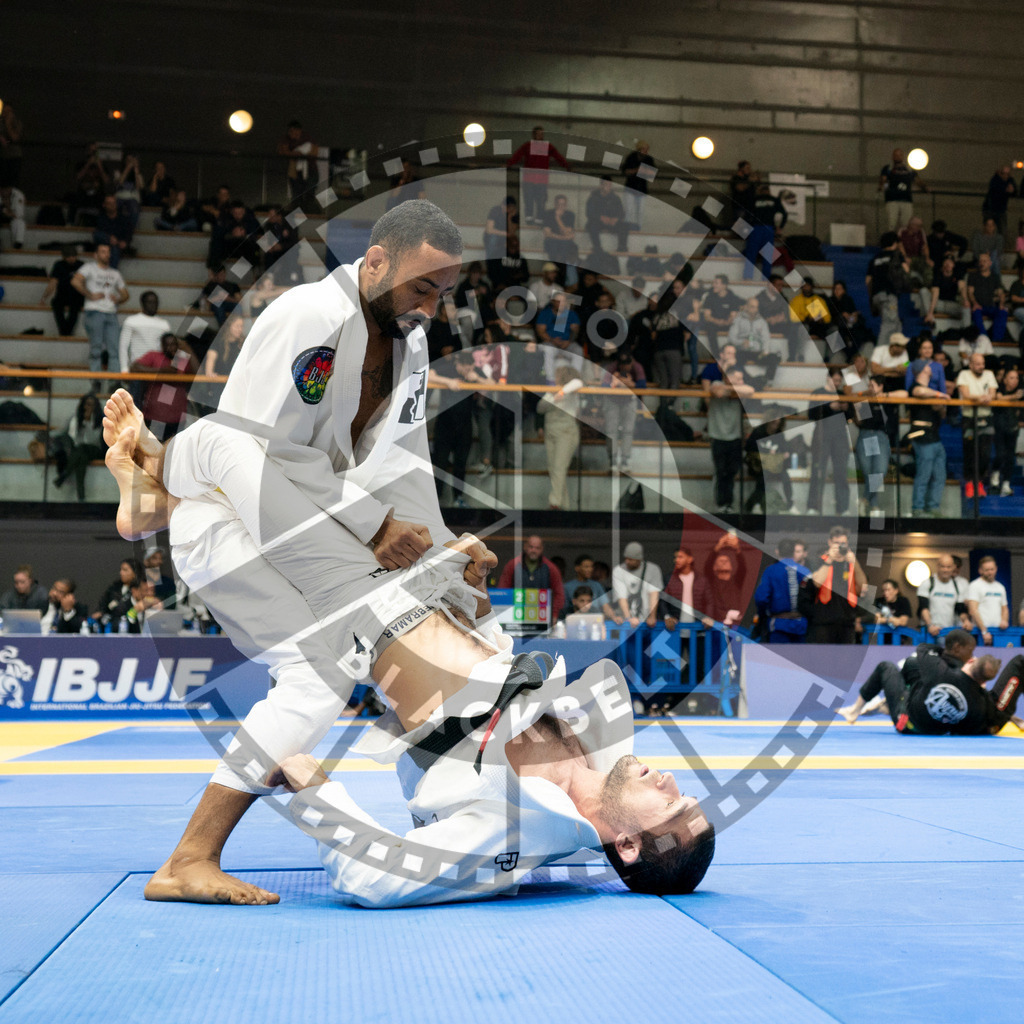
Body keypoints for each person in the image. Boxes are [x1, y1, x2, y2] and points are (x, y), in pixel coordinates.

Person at [99, 200, 481, 906]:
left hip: (309, 523)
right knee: (317, 679)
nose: (431, 307)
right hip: (232, 521)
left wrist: (445, 562)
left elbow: (407, 460)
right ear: (376, 263)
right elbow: (263, 453)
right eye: (421, 287)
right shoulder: (307, 318)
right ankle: (188, 860)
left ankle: (149, 488)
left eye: (444, 293)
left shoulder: (413, 344)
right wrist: (371, 525)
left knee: (393, 636)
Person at [839, 631, 1022, 735]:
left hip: (909, 723)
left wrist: (951, 658)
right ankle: (884, 705)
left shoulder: (937, 669)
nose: (971, 654)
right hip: (943, 725)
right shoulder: (980, 703)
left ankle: (858, 708)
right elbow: (993, 710)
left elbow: (923, 648)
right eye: (971, 650)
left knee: (891, 666)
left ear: (972, 662)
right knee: (912, 668)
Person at [800, 526, 867, 644]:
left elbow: (862, 587)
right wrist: (830, 559)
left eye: (843, 543)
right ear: (829, 542)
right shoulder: (818, 561)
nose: (840, 546)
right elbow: (816, 582)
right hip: (823, 622)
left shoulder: (851, 563)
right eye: (836, 543)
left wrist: (855, 562)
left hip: (847, 622)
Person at [72, 243, 129, 378]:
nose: (107, 254)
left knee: (114, 349)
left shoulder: (115, 273)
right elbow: (75, 281)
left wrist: (118, 299)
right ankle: (95, 379)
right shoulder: (89, 268)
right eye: (103, 252)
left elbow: (126, 294)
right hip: (94, 311)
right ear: (96, 255)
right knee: (96, 348)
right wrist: (89, 294)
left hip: (111, 313)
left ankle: (114, 381)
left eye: (108, 252)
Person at [132, 333, 199, 440]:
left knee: (175, 452)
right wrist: (161, 372)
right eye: (167, 345)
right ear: (162, 346)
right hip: (154, 416)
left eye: (173, 345)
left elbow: (197, 374)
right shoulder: (154, 356)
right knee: (154, 451)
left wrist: (188, 349)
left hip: (177, 417)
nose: (170, 348)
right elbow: (134, 367)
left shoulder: (181, 359)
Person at [807, 368, 853, 517]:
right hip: (822, 435)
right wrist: (828, 407)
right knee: (818, 472)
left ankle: (843, 508)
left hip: (840, 436)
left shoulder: (842, 395)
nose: (837, 383)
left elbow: (851, 417)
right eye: (835, 380)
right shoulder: (818, 392)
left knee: (841, 473)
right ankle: (813, 506)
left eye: (839, 381)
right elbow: (811, 414)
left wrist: (846, 408)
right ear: (828, 378)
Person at [506, 125, 571, 226]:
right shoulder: (528, 146)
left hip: (541, 180)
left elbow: (558, 157)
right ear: (534, 135)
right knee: (529, 200)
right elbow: (517, 155)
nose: (540, 136)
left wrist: (567, 166)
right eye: (538, 134)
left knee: (541, 201)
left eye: (542, 134)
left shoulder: (547, 146)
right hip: (529, 179)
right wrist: (508, 164)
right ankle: (529, 219)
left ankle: (539, 220)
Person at [906, 365, 948, 518]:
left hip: (935, 437)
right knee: (924, 473)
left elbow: (942, 414)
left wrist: (941, 405)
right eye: (926, 370)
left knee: (940, 475)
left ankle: (933, 506)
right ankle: (917, 507)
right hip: (922, 437)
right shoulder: (915, 387)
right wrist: (940, 395)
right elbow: (920, 392)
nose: (929, 371)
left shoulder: (932, 389)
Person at [956, 352, 998, 498]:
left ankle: (979, 482)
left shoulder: (989, 374)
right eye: (978, 364)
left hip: (986, 418)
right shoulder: (964, 374)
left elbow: (993, 393)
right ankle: (969, 483)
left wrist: (988, 397)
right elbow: (966, 394)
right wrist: (982, 397)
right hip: (969, 419)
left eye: (983, 364)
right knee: (969, 452)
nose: (981, 367)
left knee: (985, 454)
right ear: (971, 364)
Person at [753, 539, 810, 643]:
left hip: (778, 625)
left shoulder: (771, 570)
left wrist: (762, 616)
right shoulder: (805, 571)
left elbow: (761, 598)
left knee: (779, 658)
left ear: (777, 551)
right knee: (800, 659)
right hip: (801, 625)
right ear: (793, 552)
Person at [52, 393, 106, 500]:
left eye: (91, 405)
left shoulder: (100, 421)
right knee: (82, 459)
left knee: (81, 449)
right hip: (79, 452)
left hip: (95, 449)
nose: (88, 407)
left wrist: (88, 423)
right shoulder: (75, 419)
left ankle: (64, 475)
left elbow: (93, 440)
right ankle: (81, 496)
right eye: (87, 404)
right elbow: (66, 435)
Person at [498, 535, 565, 620]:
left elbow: (559, 594)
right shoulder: (512, 565)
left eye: (537, 548)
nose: (534, 550)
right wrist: (504, 614)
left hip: (542, 615)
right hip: (516, 614)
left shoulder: (551, 568)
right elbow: (503, 590)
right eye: (531, 547)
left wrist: (554, 614)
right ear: (525, 547)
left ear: (542, 549)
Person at [119, 292, 172, 396]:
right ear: (142, 303)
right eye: (150, 302)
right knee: (136, 404)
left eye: (156, 302)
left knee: (156, 404)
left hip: (158, 371)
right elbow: (123, 346)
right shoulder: (131, 321)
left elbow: (169, 348)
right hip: (138, 369)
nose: (153, 305)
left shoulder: (164, 324)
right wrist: (124, 370)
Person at [601, 350, 644, 473]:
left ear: (631, 362)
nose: (624, 367)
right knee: (611, 431)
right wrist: (615, 384)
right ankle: (613, 460)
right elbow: (603, 386)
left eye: (627, 364)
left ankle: (625, 460)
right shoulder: (612, 367)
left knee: (628, 431)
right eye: (622, 364)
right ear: (618, 363)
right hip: (612, 401)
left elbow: (643, 386)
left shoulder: (637, 367)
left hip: (629, 400)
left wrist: (630, 384)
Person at [865, 232, 907, 348]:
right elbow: (907, 271)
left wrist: (872, 298)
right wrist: (903, 252)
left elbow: (868, 281)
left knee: (897, 325)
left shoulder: (875, 258)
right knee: (889, 325)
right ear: (895, 243)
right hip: (889, 296)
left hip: (876, 296)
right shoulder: (896, 255)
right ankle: (878, 358)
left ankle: (896, 354)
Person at [610, 542, 663, 629]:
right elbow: (622, 597)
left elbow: (654, 594)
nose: (627, 561)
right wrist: (628, 618)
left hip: (646, 620)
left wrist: (652, 616)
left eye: (631, 559)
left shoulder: (653, 569)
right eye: (626, 558)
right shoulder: (618, 570)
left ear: (639, 559)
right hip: (625, 622)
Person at [916, 555, 972, 637]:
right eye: (943, 567)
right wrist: (930, 625)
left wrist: (966, 621)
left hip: (949, 630)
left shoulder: (957, 586)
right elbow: (924, 607)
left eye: (948, 567)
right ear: (938, 566)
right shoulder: (928, 583)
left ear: (953, 567)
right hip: (930, 630)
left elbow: (960, 609)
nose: (945, 570)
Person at [991, 366, 1023, 496]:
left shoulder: (1021, 391)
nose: (1014, 380)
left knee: (1010, 457)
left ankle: (1006, 484)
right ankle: (995, 478)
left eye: (1016, 377)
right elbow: (998, 398)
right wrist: (1014, 397)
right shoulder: (1000, 388)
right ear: (1004, 380)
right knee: (1000, 454)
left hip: (1013, 427)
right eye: (1011, 377)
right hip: (999, 427)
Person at [878, 148, 927, 230]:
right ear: (893, 157)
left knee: (906, 224)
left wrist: (925, 187)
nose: (897, 157)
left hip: (906, 199)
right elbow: (883, 180)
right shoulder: (888, 168)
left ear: (902, 156)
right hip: (892, 199)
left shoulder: (908, 169)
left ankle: (903, 241)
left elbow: (917, 180)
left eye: (899, 155)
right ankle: (891, 240)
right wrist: (882, 186)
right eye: (895, 155)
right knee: (892, 222)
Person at [41, 245, 85, 337]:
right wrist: (44, 297)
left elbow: (87, 283)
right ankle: (65, 332)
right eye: (69, 256)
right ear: (64, 257)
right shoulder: (59, 265)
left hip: (77, 295)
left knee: (75, 308)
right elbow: (53, 283)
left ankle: (65, 333)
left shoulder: (81, 265)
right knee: (56, 305)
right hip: (62, 295)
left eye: (74, 256)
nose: (72, 258)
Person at [966, 556, 1009, 646]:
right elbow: (973, 610)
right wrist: (984, 631)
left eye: (992, 569)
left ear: (996, 569)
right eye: (986, 570)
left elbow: (1004, 608)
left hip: (998, 632)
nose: (990, 572)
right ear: (980, 570)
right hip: (980, 632)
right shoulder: (975, 585)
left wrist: (1004, 620)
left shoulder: (1000, 587)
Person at [967, 252, 1007, 341]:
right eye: (980, 261)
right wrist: (975, 303)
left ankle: (997, 340)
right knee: (976, 313)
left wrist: (1001, 303)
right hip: (978, 306)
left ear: (990, 263)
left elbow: (1001, 292)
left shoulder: (995, 277)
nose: (982, 263)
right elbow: (970, 293)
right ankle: (984, 339)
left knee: (1003, 312)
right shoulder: (973, 276)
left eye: (984, 261)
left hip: (991, 306)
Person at [95, 558, 144, 630]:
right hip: (113, 626)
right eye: (121, 570)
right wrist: (101, 613)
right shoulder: (114, 588)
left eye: (125, 570)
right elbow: (103, 605)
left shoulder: (141, 589)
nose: (121, 573)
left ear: (135, 573)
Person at [585, 176, 628, 255]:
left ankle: (622, 247)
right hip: (598, 222)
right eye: (606, 184)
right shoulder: (593, 197)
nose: (608, 187)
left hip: (612, 223)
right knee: (592, 226)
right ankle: (597, 247)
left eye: (609, 185)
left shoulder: (615, 198)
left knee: (624, 226)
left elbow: (621, 213)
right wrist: (600, 217)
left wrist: (616, 219)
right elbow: (589, 213)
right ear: (601, 185)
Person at [277, 120, 317, 202]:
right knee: (296, 194)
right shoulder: (286, 139)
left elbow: (314, 151)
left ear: (298, 130)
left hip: (310, 169)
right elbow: (282, 151)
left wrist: (297, 153)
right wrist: (295, 154)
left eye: (292, 131)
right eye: (289, 131)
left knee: (309, 193)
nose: (290, 133)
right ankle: (296, 211)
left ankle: (308, 211)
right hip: (294, 170)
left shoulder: (307, 137)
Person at [621, 141, 654, 229]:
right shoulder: (631, 157)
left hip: (642, 189)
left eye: (647, 150)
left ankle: (639, 229)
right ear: (639, 149)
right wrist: (637, 170)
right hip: (630, 188)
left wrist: (645, 171)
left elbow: (653, 173)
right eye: (644, 149)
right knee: (629, 210)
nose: (646, 152)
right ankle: (627, 228)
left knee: (641, 211)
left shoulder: (649, 159)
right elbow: (625, 171)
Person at [542, 194, 579, 267]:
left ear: (566, 205)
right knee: (552, 243)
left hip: (564, 242)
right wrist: (562, 237)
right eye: (559, 204)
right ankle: (554, 265)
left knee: (567, 244)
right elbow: (547, 234)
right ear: (555, 204)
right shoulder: (548, 214)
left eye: (563, 204)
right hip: (552, 241)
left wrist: (558, 218)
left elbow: (567, 233)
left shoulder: (570, 215)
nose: (561, 206)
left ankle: (562, 265)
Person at [983, 166, 1016, 236]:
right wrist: (1005, 188)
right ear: (1000, 173)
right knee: (988, 231)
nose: (1005, 175)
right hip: (990, 209)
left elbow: (1014, 190)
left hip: (1001, 211)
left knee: (1003, 232)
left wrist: (1011, 189)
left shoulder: (1010, 180)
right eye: (1003, 173)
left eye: (1008, 174)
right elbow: (996, 189)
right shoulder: (995, 180)